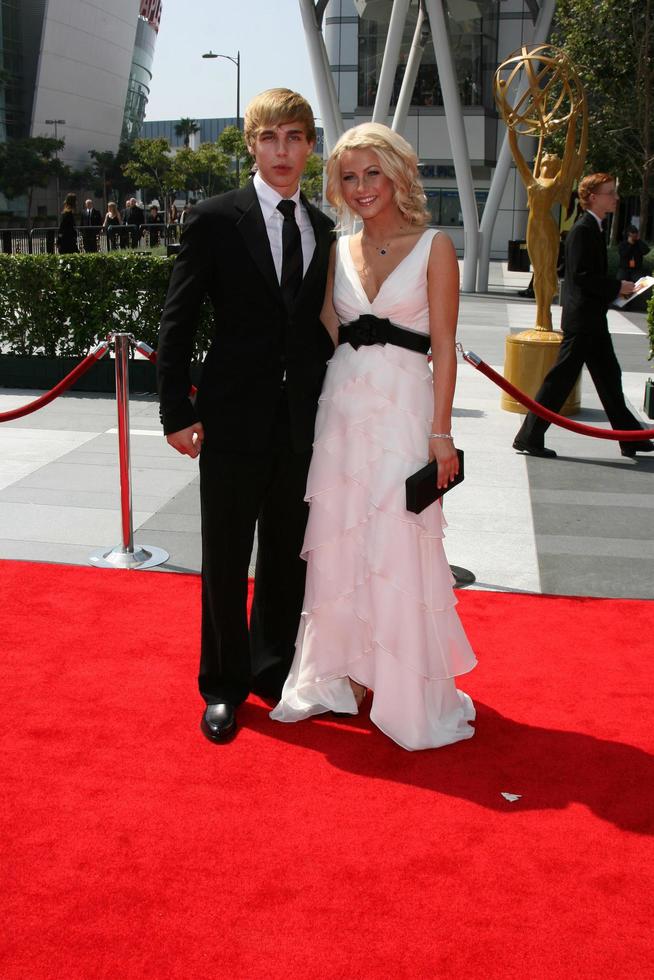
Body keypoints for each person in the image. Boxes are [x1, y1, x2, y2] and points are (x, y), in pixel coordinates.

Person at [271, 123, 477, 751]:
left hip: (406, 411)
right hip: (344, 408)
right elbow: (330, 328)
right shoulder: (338, 247)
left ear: (397, 174)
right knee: (341, 535)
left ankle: (401, 683)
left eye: (373, 174)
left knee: (396, 537)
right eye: (350, 177)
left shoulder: (436, 245)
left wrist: (441, 434)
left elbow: (445, 347)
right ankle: (344, 675)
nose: (361, 188)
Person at [157, 88, 334, 744]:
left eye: (295, 137)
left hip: (301, 426)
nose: (282, 151)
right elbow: (178, 320)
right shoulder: (213, 218)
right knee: (227, 557)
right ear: (251, 145)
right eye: (270, 138)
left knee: (289, 558)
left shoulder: (326, 228)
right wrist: (176, 408)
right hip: (230, 421)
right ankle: (224, 686)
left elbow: (325, 331)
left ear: (311, 147)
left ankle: (271, 671)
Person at [513, 173, 654, 459]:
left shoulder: (594, 227)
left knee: (609, 379)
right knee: (560, 381)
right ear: (592, 196)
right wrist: (618, 286)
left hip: (591, 320)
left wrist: (618, 291)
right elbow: (580, 276)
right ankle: (529, 436)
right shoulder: (583, 229)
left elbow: (588, 278)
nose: (615, 197)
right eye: (610, 192)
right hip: (582, 322)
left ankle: (629, 438)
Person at [506, 103, 587, 331]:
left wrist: (572, 122)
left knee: (548, 270)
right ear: (541, 163)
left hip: (547, 228)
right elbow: (516, 152)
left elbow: (571, 152)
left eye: (554, 156)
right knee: (538, 271)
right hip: (533, 228)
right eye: (548, 154)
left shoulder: (557, 182)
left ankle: (546, 313)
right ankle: (540, 315)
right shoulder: (530, 179)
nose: (550, 154)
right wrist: (512, 125)